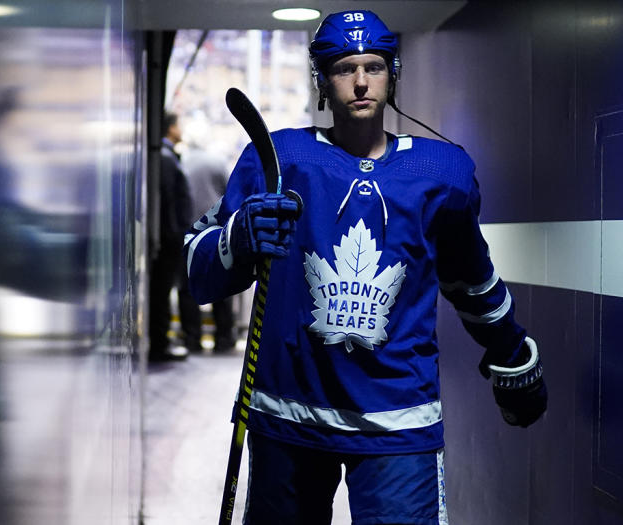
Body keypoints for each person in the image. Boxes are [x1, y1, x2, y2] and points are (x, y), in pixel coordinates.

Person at [184, 10, 547, 524]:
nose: (359, 82)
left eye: (373, 67)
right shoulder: (281, 160)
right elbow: (198, 265)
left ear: (392, 76)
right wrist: (235, 240)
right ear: (322, 83)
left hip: (397, 422)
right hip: (290, 415)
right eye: (343, 68)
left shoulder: (441, 173)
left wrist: (512, 353)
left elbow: (470, 280)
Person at [179, 138, 237, 353]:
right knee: (220, 284)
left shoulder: (182, 162)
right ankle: (223, 339)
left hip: (187, 232)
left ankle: (191, 339)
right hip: (214, 232)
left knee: (187, 289)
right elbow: (230, 192)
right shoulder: (217, 161)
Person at [150, 111, 195, 361]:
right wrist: (174, 234)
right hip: (169, 238)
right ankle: (160, 342)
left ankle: (161, 340)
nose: (182, 128)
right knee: (162, 290)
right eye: (179, 124)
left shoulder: (166, 156)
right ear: (169, 128)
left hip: (168, 236)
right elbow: (167, 201)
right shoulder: (166, 159)